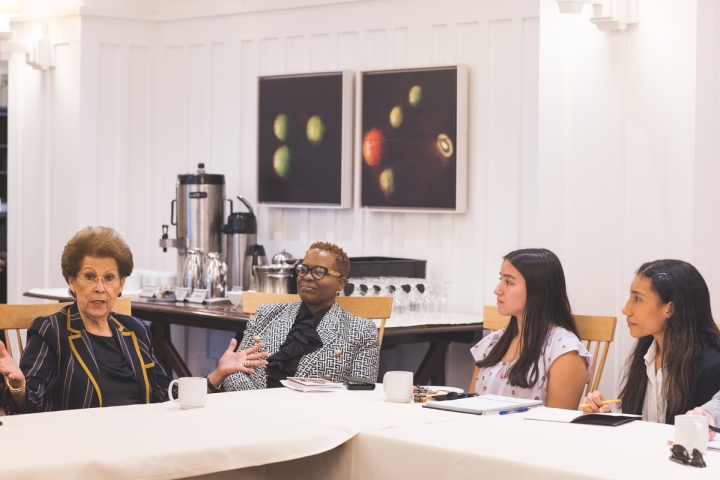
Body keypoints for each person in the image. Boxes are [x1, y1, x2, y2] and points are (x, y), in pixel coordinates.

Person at [0, 226, 267, 414]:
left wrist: (216, 375)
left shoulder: (135, 329)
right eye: (89, 276)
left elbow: (167, 396)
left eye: (109, 278)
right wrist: (17, 385)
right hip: (83, 444)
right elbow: (29, 405)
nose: (100, 287)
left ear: (121, 284)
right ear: (72, 281)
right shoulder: (52, 329)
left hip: (142, 437)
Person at [222, 242, 380, 391]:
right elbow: (234, 371)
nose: (307, 276)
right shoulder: (267, 314)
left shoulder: (361, 331)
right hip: (252, 411)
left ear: (340, 283)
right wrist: (258, 404)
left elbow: (360, 393)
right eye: (303, 269)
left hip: (316, 415)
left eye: (319, 272)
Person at [583, 260, 720, 425]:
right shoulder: (646, 351)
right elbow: (643, 426)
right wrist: (605, 415)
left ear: (670, 309)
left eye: (637, 299)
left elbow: (708, 438)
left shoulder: (711, 365)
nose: (626, 309)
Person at [469, 248, 592, 409]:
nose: (497, 290)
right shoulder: (492, 343)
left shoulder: (564, 351)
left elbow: (557, 425)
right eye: (501, 279)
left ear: (538, 290)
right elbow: (468, 405)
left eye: (508, 282)